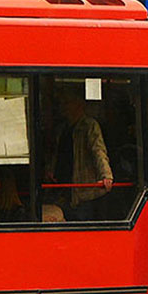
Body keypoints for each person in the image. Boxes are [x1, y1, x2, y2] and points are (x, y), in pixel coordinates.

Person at [49, 89, 113, 218]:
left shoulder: (89, 125)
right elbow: (56, 154)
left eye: (67, 103)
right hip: (64, 187)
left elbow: (98, 150)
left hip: (83, 189)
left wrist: (106, 175)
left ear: (79, 105)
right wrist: (51, 170)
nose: (64, 107)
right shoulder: (62, 129)